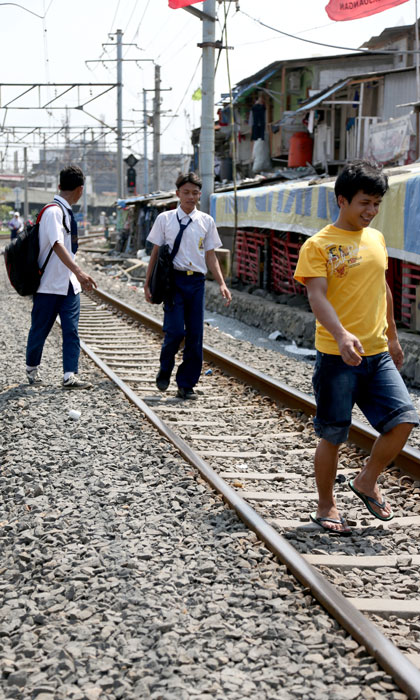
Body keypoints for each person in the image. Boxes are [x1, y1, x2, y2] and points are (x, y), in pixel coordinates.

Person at [294, 160, 419, 535]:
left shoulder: (376, 239)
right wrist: (342, 334)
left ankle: (366, 481)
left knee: (404, 420)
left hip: (378, 353)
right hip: (336, 355)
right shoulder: (319, 245)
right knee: (333, 433)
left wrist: (393, 337)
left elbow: (383, 290)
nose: (371, 211)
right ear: (342, 200)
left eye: (377, 204)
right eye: (365, 202)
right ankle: (326, 505)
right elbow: (316, 297)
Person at [144, 172, 232, 400]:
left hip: (196, 282)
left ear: (199, 195)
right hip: (173, 282)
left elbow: (211, 255)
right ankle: (165, 368)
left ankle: (186, 384)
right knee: (174, 331)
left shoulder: (206, 221)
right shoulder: (165, 219)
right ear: (177, 194)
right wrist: (147, 284)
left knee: (195, 336)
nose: (190, 197)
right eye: (186, 192)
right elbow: (155, 254)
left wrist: (222, 283)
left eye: (194, 193)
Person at [25, 164, 97, 389]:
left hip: (67, 285)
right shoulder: (54, 211)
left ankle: (69, 374)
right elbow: (57, 244)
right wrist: (80, 271)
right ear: (81, 190)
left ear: (59, 185)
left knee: (71, 329)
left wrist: (75, 276)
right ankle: (31, 368)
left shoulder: (64, 211)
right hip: (48, 284)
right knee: (40, 329)